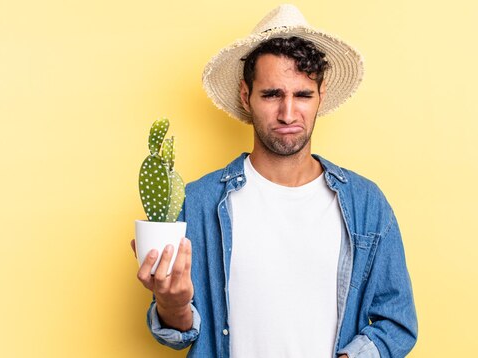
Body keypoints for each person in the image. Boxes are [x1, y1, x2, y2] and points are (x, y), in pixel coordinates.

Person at [132, 4, 418, 357]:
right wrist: (171, 305)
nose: (288, 113)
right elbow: (177, 333)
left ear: (320, 97)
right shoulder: (199, 202)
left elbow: (397, 321)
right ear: (245, 96)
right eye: (271, 95)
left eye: (302, 95)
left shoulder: (366, 204)